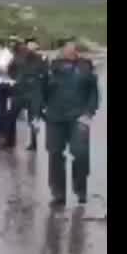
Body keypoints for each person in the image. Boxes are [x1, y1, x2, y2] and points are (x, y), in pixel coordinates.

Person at [39, 39, 101, 209]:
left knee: (80, 153)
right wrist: (38, 111)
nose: (71, 52)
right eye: (67, 48)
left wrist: (89, 113)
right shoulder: (51, 69)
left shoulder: (85, 68)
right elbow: (39, 92)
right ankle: (58, 194)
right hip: (55, 118)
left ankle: (80, 189)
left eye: (74, 49)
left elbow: (93, 94)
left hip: (78, 118)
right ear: (61, 51)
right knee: (55, 155)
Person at [14, 36, 48, 151]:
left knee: (33, 118)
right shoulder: (21, 58)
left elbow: (46, 75)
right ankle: (10, 138)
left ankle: (34, 142)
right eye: (29, 45)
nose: (31, 48)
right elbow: (14, 70)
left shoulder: (42, 58)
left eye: (33, 45)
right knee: (17, 115)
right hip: (23, 91)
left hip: (36, 91)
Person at [0, 37, 19, 146]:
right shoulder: (4, 54)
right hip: (1, 84)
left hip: (4, 85)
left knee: (2, 111)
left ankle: (5, 136)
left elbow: (3, 69)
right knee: (1, 111)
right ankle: (5, 136)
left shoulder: (7, 55)